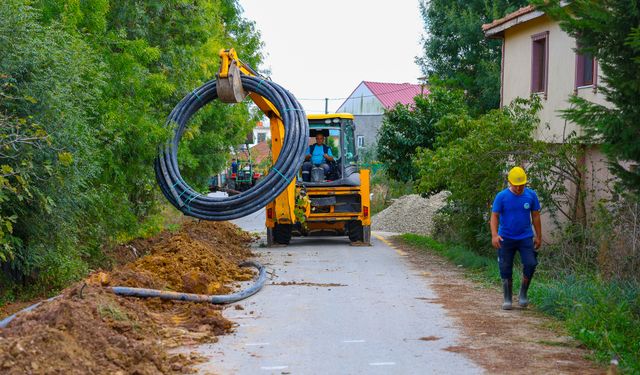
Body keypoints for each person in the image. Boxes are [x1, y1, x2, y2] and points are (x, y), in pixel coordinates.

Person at [490, 166, 542, 310]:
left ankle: (523, 293)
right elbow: (494, 216)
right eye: (516, 185)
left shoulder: (531, 195)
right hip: (506, 237)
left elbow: (536, 216)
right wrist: (494, 235)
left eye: (522, 185)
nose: (519, 188)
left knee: (531, 263)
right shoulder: (502, 196)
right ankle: (507, 297)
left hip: (525, 237)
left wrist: (539, 236)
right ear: (510, 182)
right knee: (505, 267)